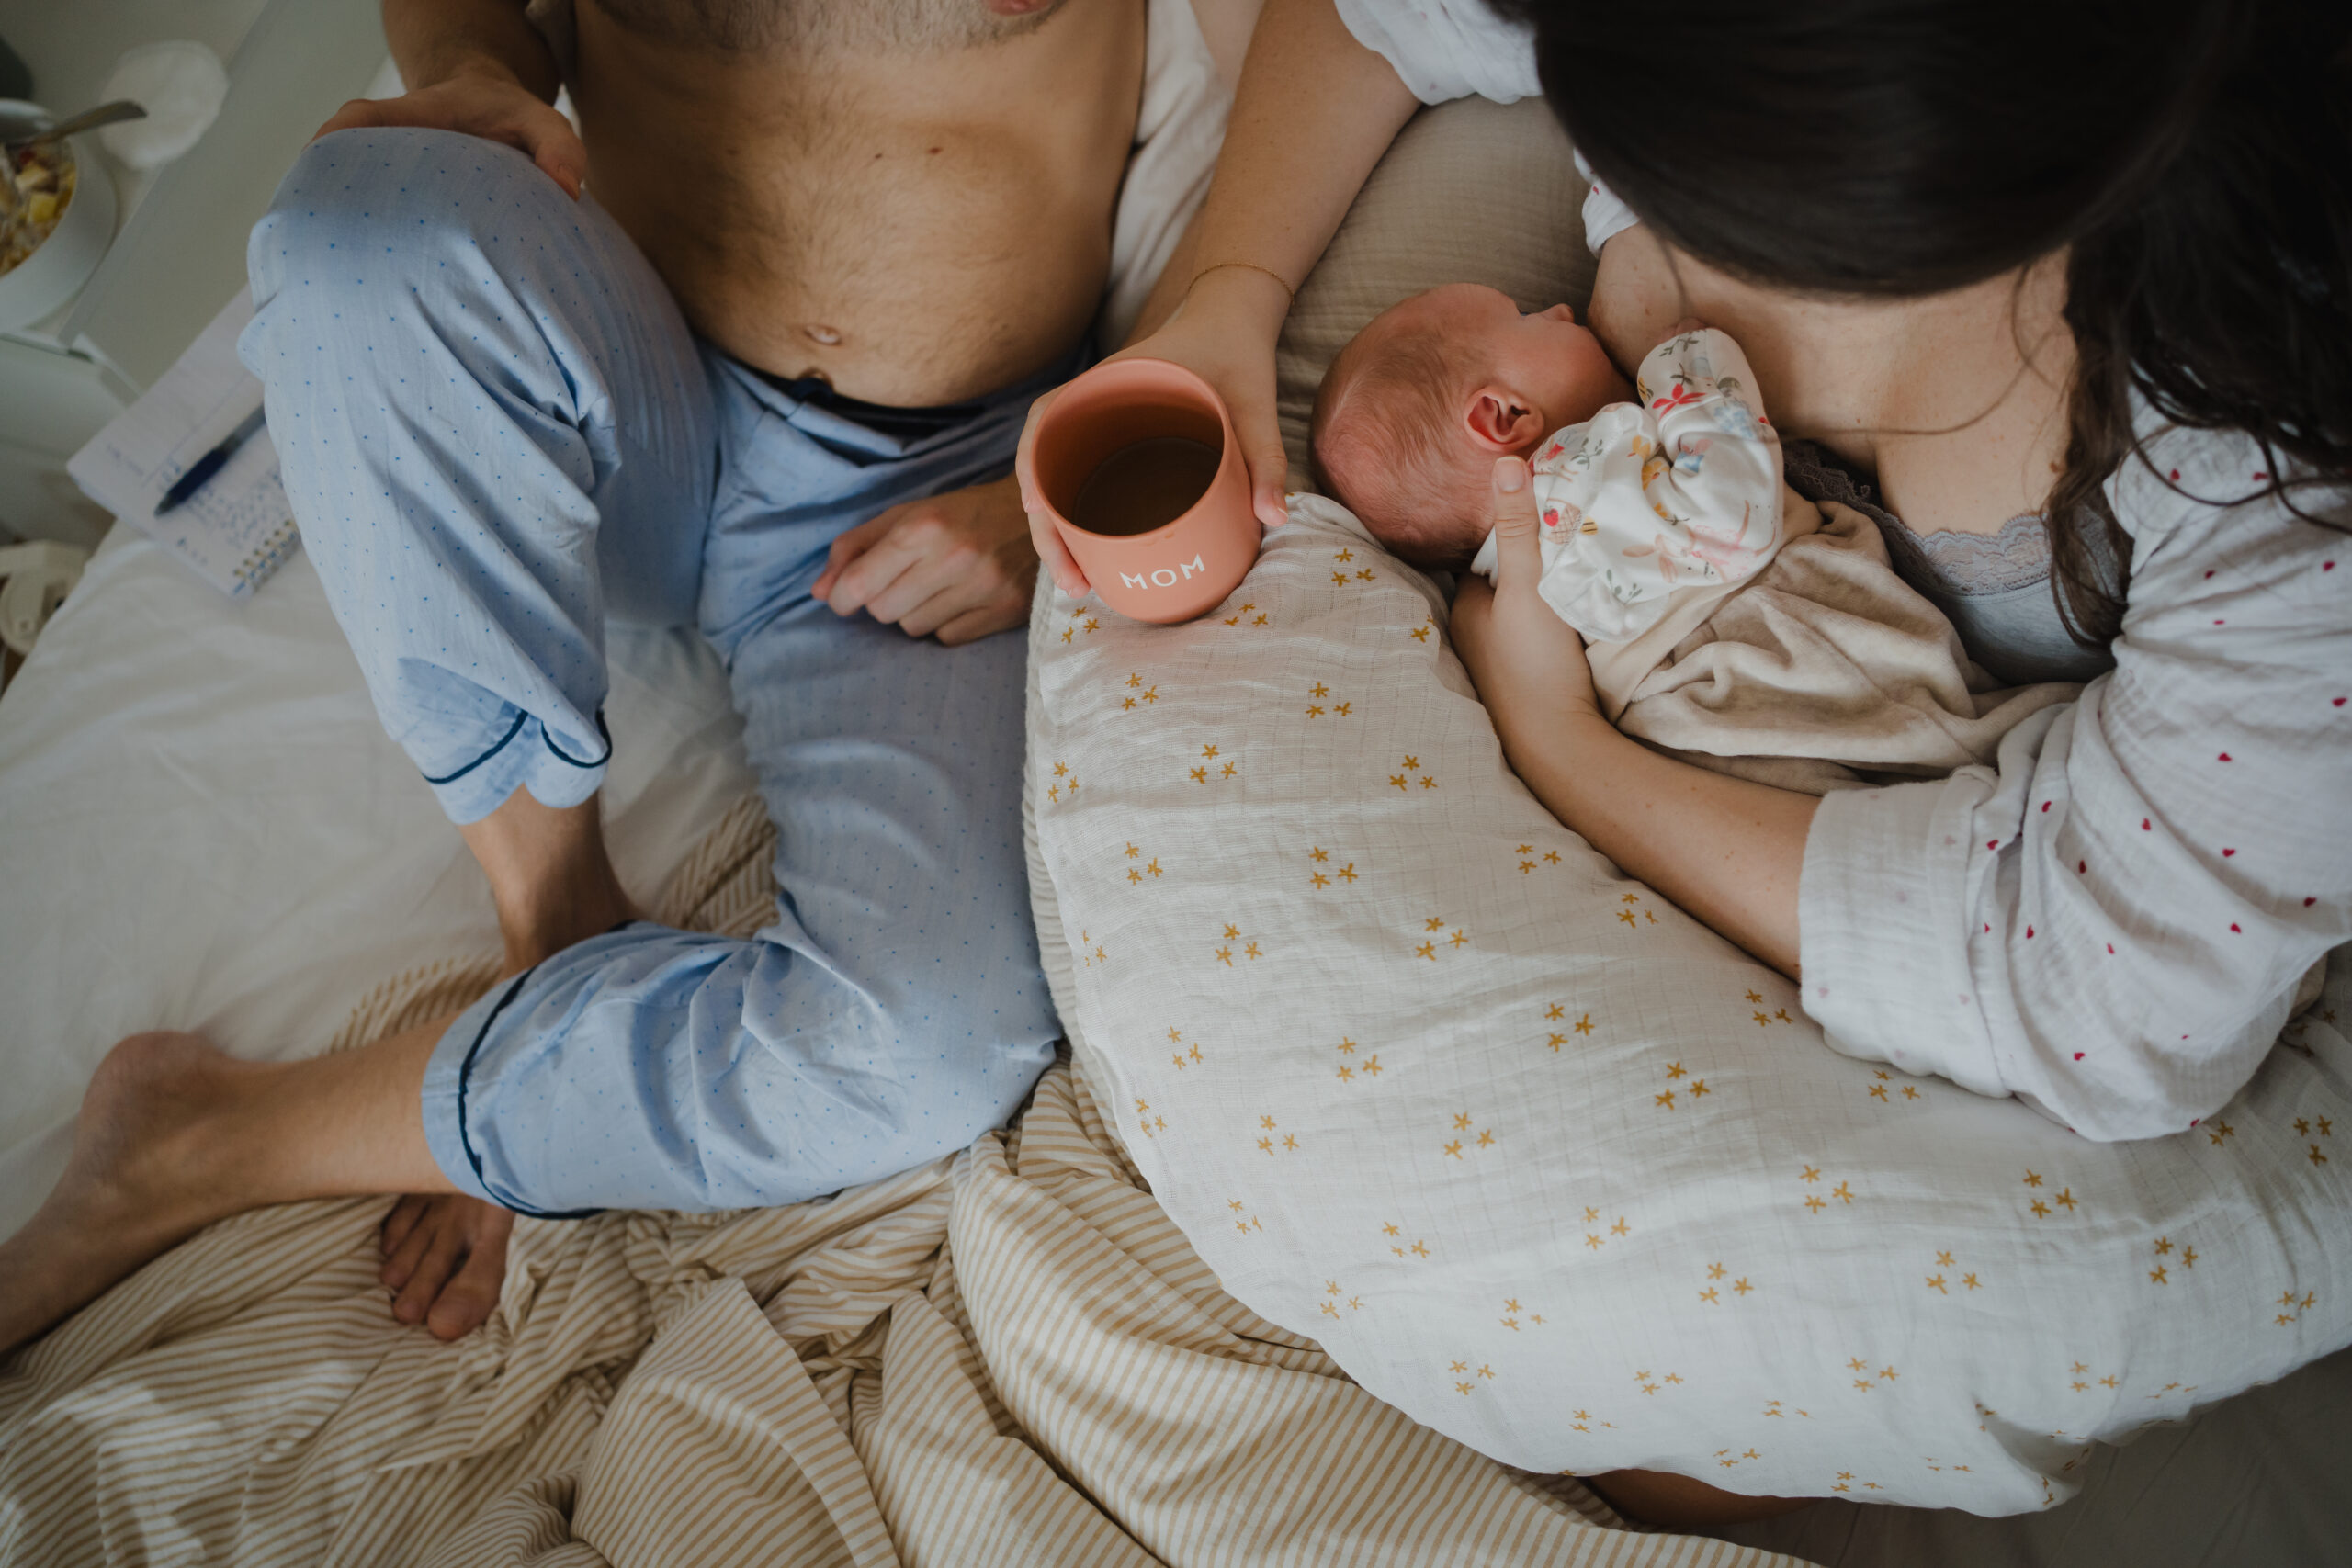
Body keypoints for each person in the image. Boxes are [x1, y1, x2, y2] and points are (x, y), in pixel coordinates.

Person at [1028, 0, 2352, 1524]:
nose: (1636, 234)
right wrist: (1223, 299)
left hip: (1968, 843)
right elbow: (1366, 13)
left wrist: (1558, 743)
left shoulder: (2261, 479)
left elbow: (2109, 997)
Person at [0, 0, 1256, 1357]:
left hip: (926, 487)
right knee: (355, 230)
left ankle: (204, 1139)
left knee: (917, 1048)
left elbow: (1336, 35)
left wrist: (1086, 449)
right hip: (625, 381)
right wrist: (472, 73)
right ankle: (553, 919)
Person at [1313, 288, 1782, 640]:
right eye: (1525, 316)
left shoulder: (1527, 585)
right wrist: (1690, 374)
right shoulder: (1572, 505)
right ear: (1505, 415)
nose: (1560, 309)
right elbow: (1732, 524)